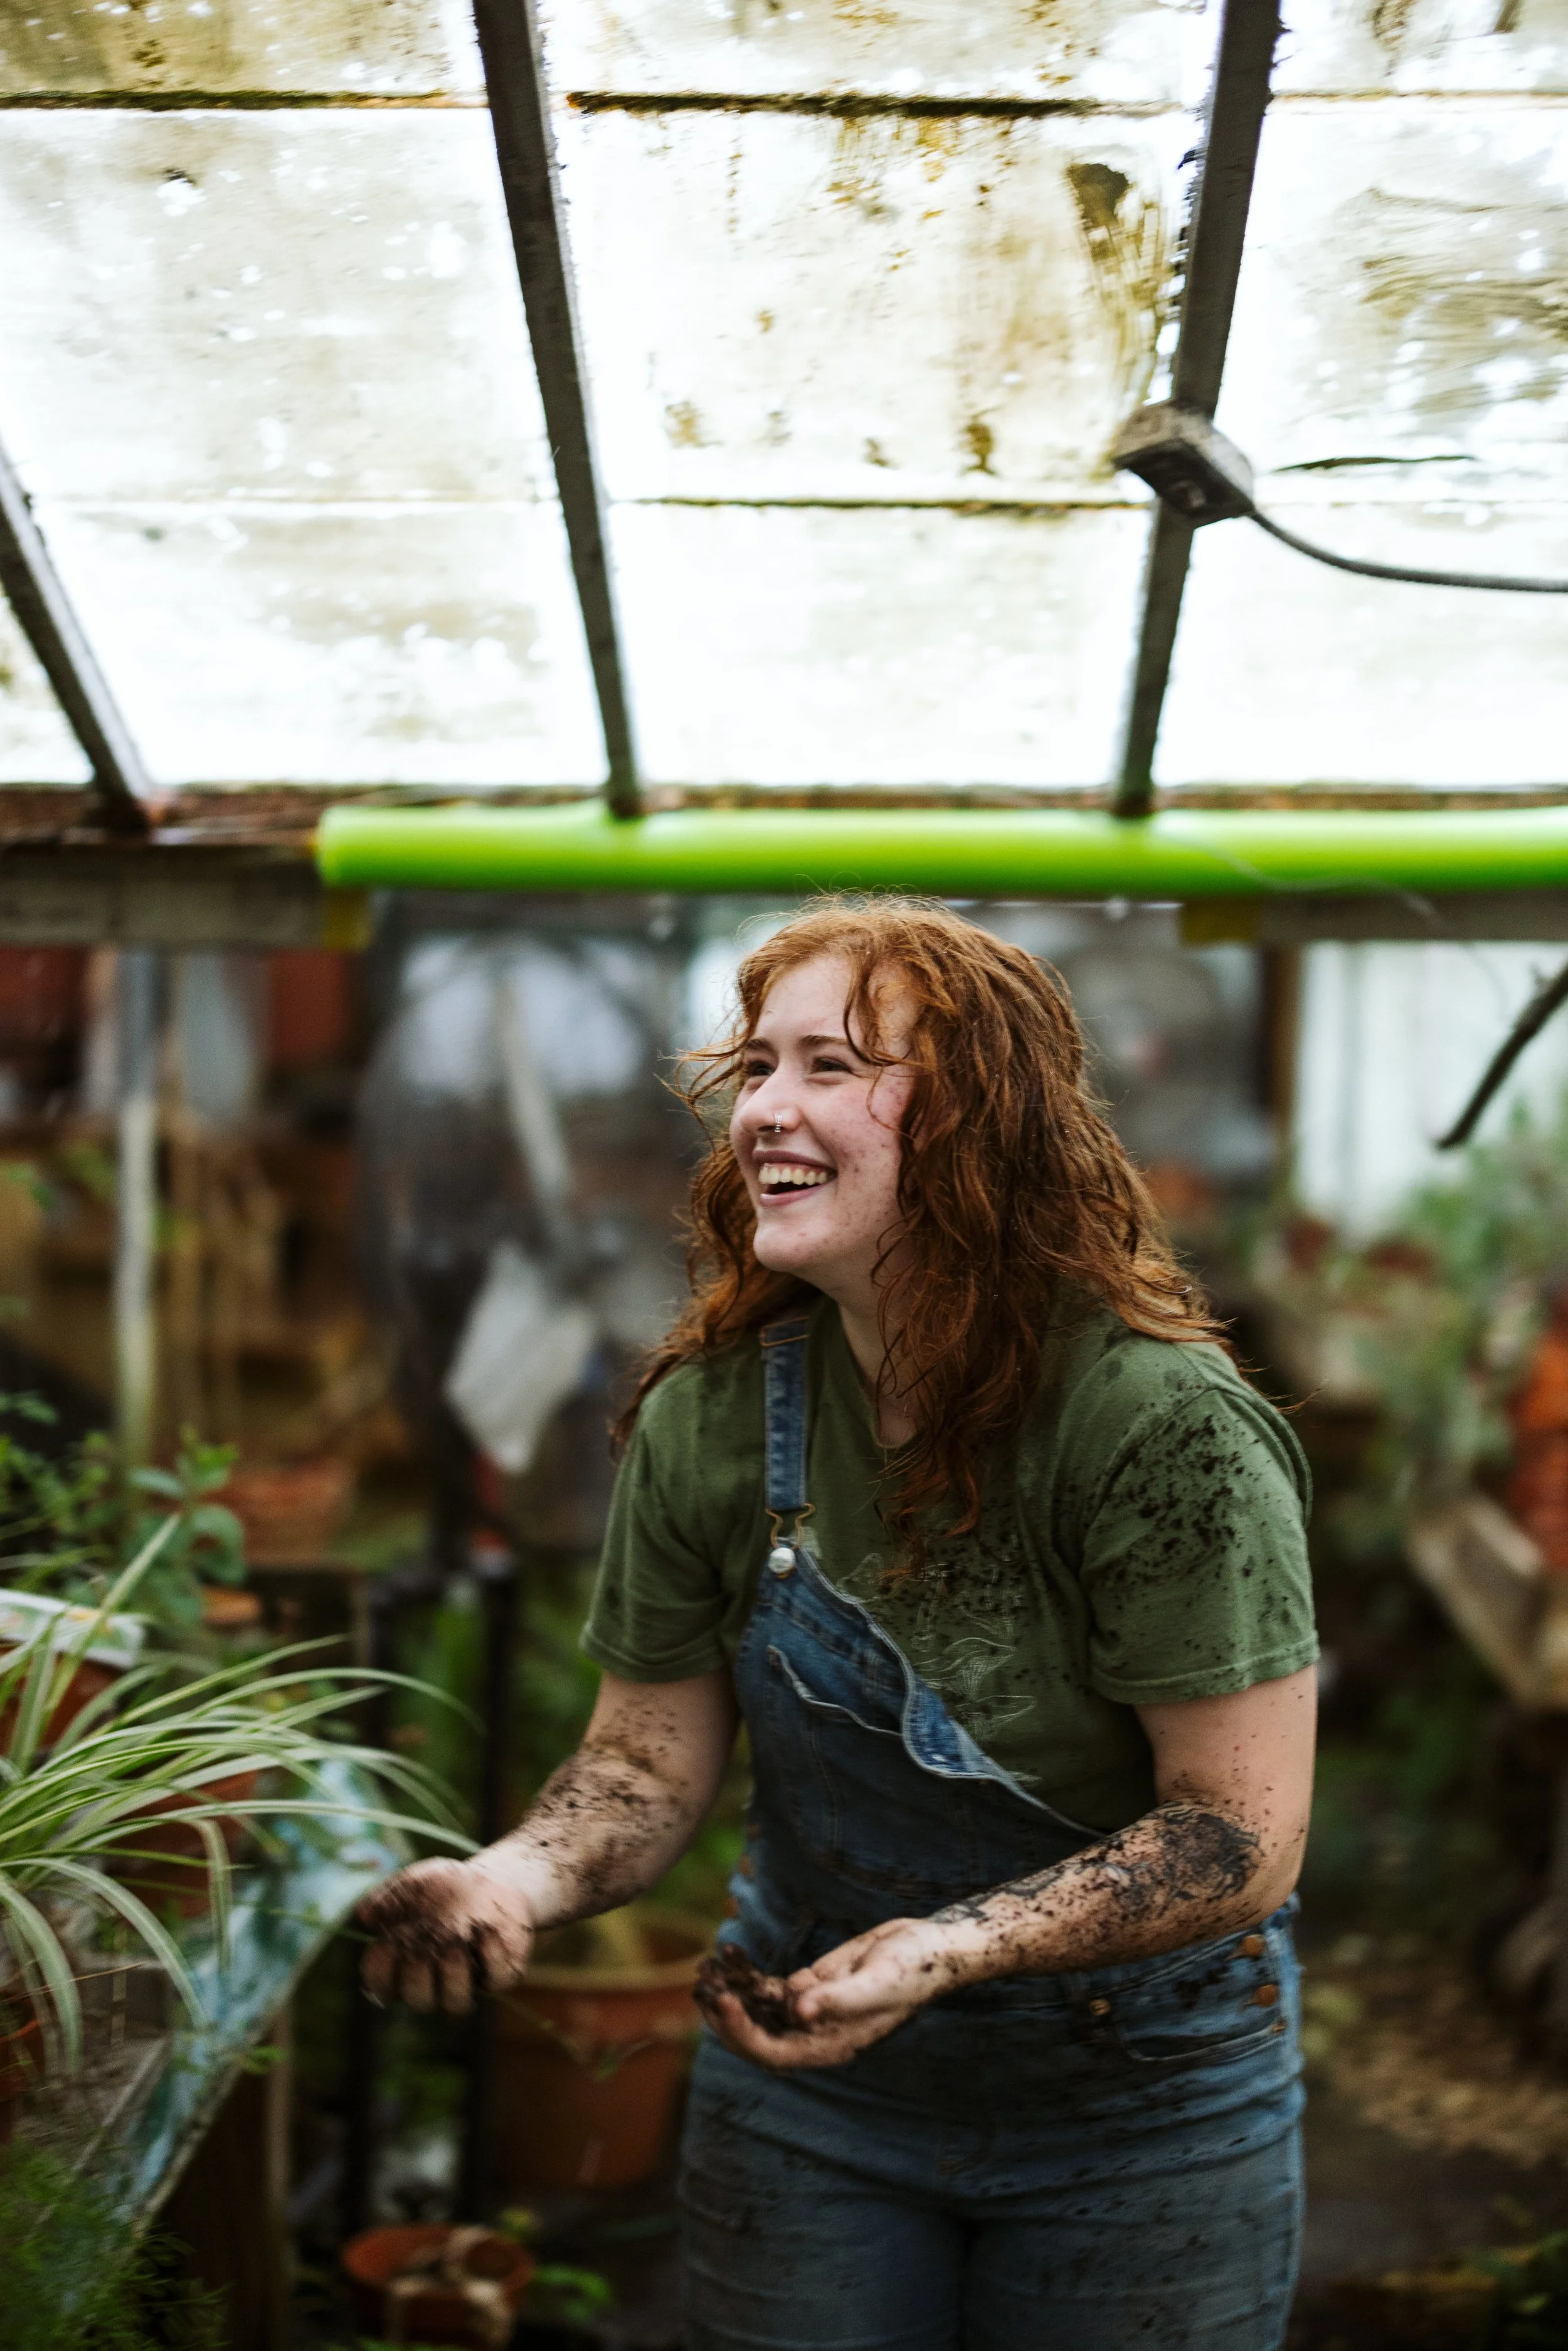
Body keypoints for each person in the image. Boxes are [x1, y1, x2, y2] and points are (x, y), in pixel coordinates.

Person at [358, 900, 1318, 2351]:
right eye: (754, 1065)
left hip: (1142, 2109)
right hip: (809, 2085)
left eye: (829, 1063)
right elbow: (639, 1764)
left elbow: (1236, 1832)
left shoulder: (1157, 1428)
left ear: (980, 1124)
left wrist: (944, 1946)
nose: (765, 1109)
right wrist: (511, 1880)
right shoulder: (713, 1416)